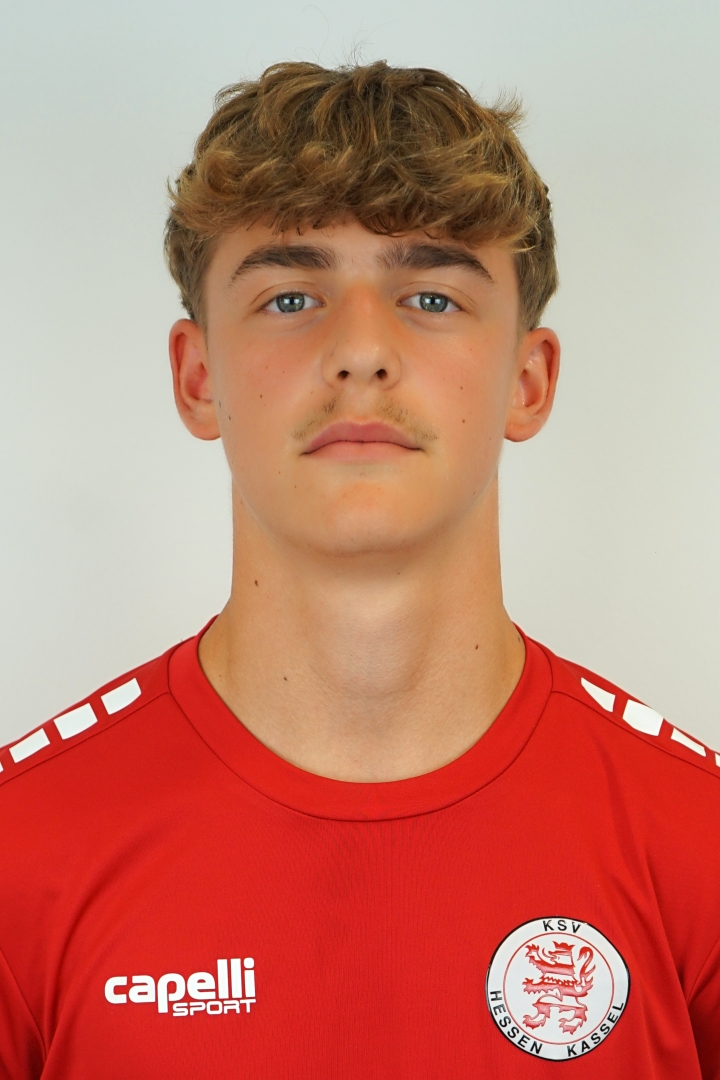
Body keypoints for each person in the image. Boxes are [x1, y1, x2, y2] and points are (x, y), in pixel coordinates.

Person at [0, 60, 718, 1080]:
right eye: (291, 296)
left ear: (528, 380)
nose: (362, 350)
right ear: (197, 378)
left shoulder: (698, 846)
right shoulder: (20, 853)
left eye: (431, 295)